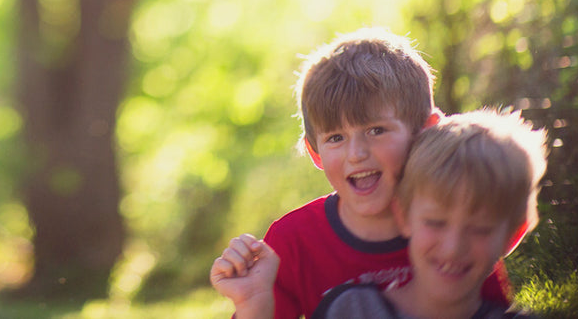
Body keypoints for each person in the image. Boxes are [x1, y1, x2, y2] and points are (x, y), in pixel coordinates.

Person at [210, 27, 511, 318]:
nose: (356, 154)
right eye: (336, 138)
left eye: (376, 130)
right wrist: (253, 304)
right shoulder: (291, 241)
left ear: (425, 132)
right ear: (316, 153)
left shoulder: (455, 226)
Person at [217, 108, 548, 319]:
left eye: (479, 229)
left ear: (513, 234)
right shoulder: (349, 311)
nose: (452, 247)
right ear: (402, 216)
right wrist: (255, 307)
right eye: (436, 223)